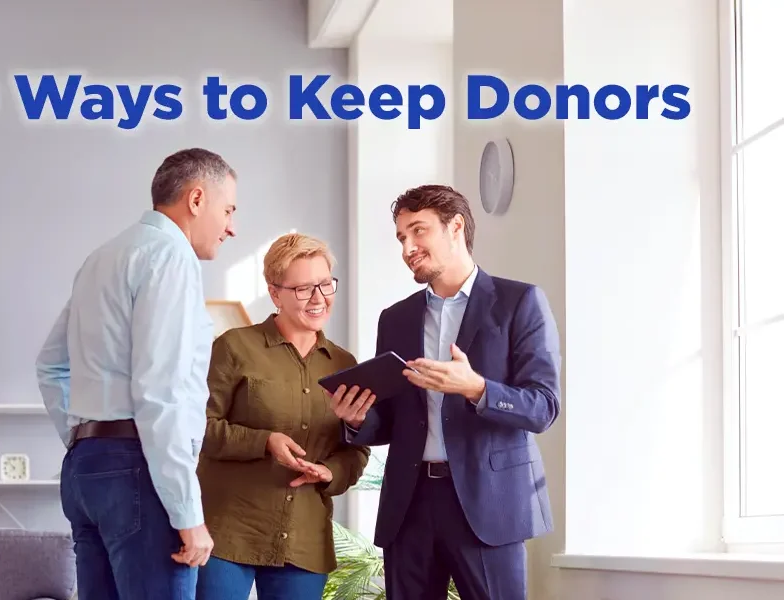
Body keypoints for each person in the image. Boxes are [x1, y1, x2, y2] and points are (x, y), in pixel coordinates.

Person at [330, 184, 561, 600]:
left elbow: (543, 407)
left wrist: (475, 388)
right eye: (401, 237)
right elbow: (395, 420)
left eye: (418, 231)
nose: (407, 247)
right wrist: (359, 418)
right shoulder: (396, 318)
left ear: (455, 227)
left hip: (488, 506)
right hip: (410, 504)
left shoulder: (519, 302)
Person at [35, 148, 238, 599]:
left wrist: (82, 438)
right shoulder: (171, 256)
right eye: (228, 210)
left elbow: (50, 364)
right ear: (197, 199)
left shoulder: (103, 257)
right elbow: (160, 391)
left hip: (87, 473)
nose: (231, 227)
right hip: (139, 471)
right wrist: (189, 516)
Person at [194, 233, 371, 600]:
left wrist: (330, 471)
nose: (319, 298)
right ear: (275, 294)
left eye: (325, 284)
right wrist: (264, 442)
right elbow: (199, 428)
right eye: (304, 288)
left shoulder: (345, 365)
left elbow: (356, 450)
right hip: (228, 530)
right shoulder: (234, 346)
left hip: (304, 538)